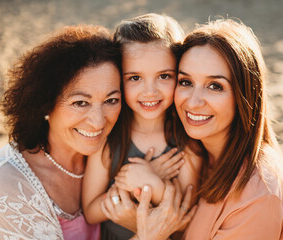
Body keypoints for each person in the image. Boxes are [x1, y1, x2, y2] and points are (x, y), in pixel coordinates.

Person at [134, 18, 283, 240]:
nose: (193, 102)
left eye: (215, 86)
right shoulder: (194, 152)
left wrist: (147, 235)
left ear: (245, 96)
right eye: (186, 82)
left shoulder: (259, 196)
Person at [0, 24, 122, 240]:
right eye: (80, 102)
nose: (98, 121)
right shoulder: (7, 182)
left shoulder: (114, 155)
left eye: (111, 100)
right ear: (45, 105)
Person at [82, 13, 202, 240]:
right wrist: (131, 182)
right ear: (119, 77)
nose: (150, 91)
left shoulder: (187, 141)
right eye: (135, 78)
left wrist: (153, 183)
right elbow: (90, 210)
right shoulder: (109, 137)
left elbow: (186, 217)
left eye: (164, 76)